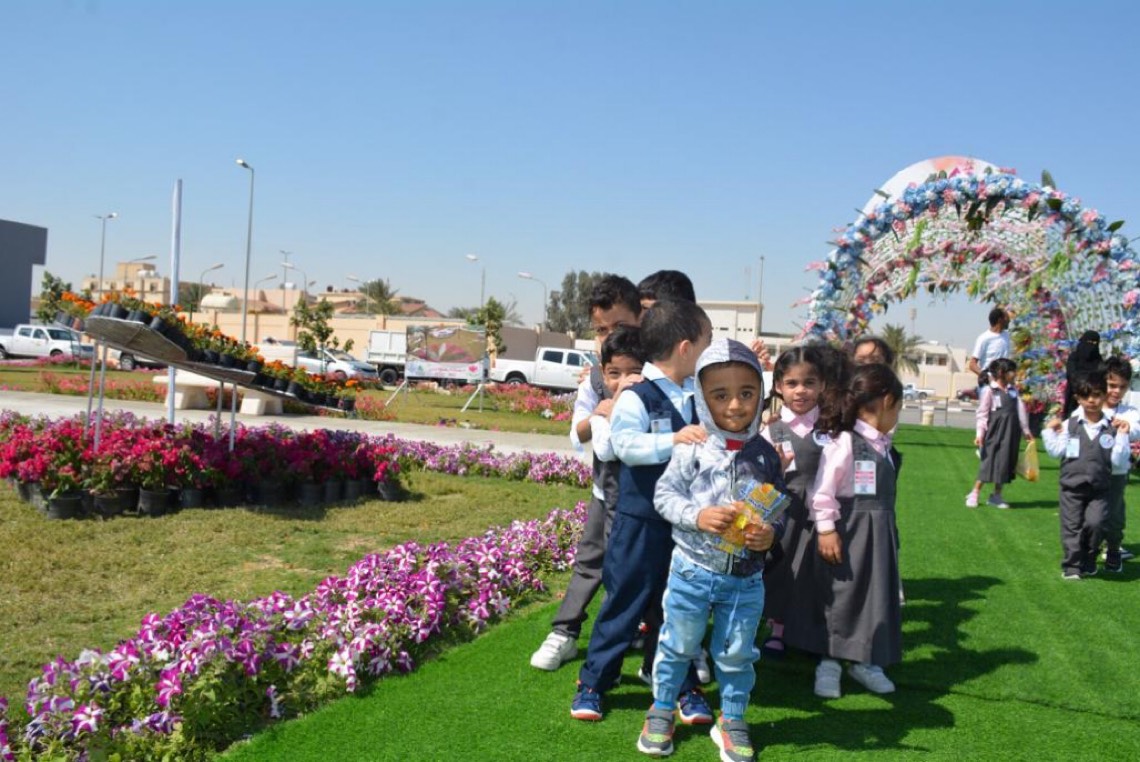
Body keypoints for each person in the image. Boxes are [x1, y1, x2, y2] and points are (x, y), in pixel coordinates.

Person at [571, 299, 713, 723]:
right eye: (706, 344)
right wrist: (674, 440)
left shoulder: (699, 396)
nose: (708, 353)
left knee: (679, 608)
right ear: (685, 348)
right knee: (625, 602)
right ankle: (593, 682)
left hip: (685, 526)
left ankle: (680, 684)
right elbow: (624, 445)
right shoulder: (637, 395)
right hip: (639, 522)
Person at [640, 339, 781, 761]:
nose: (735, 405)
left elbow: (778, 508)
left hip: (745, 579)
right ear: (702, 398)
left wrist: (770, 535)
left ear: (761, 394)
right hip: (692, 571)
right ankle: (662, 708)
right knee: (678, 644)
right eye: (720, 395)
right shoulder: (693, 446)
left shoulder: (767, 455)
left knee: (737, 653)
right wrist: (697, 516)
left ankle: (732, 719)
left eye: (746, 393)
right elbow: (664, 496)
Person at [531, 324, 646, 670]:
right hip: (604, 494)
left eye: (633, 371)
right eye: (614, 373)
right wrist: (602, 412)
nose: (623, 380)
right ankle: (564, 632)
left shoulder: (657, 390)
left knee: (641, 569)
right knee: (590, 561)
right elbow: (579, 433)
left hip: (646, 501)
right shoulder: (595, 385)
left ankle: (657, 644)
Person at [800, 363, 904, 698]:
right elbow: (822, 491)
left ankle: (867, 661)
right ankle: (829, 664)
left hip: (879, 538)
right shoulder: (845, 442)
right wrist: (826, 530)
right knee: (842, 598)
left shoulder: (885, 445)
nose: (898, 416)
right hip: (849, 536)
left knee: (876, 599)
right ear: (887, 402)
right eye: (898, 408)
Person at [759, 345, 829, 659]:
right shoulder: (770, 430)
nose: (801, 390)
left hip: (821, 514)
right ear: (778, 386)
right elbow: (758, 478)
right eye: (792, 383)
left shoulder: (830, 429)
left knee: (814, 571)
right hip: (783, 512)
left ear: (822, 385)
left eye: (809, 383)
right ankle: (777, 628)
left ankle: (809, 628)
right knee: (781, 568)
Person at [1042, 371, 1131, 579]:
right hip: (1072, 488)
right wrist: (1048, 431)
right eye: (1086, 396)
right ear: (1078, 399)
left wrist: (1122, 436)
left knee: (1096, 523)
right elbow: (1056, 451)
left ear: (1104, 397)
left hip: (1100, 489)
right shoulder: (1070, 424)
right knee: (1072, 527)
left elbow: (1118, 461)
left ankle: (1089, 556)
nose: (1091, 400)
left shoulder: (1112, 426)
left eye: (1097, 395)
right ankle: (1072, 567)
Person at [965, 358, 1034, 509]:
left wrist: (1026, 430)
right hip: (995, 432)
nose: (1015, 374)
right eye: (1012, 371)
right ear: (1002, 372)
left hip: (1011, 432)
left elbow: (1021, 411)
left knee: (1005, 462)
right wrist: (980, 434)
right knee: (989, 462)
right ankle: (974, 493)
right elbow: (982, 414)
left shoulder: (1013, 391)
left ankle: (996, 496)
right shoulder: (989, 390)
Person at [1103, 356, 1139, 570]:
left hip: (1117, 472)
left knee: (1115, 511)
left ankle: (1114, 547)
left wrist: (1125, 426)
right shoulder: (1090, 407)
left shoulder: (1129, 413)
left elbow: (1136, 429)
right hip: (1090, 469)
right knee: (1089, 510)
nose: (1117, 391)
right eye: (1112, 385)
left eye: (1122, 387)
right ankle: (1089, 546)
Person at [967, 308, 1011, 394]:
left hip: (1003, 382)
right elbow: (972, 364)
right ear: (1000, 319)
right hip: (989, 384)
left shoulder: (1007, 336)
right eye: (1007, 317)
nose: (1009, 320)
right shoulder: (984, 338)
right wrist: (986, 376)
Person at [1063, 331, 1103, 418]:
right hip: (1075, 396)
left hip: (1093, 396)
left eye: (1095, 343)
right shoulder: (1074, 357)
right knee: (1073, 419)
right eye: (1089, 342)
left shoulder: (1098, 359)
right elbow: (1071, 375)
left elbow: (1101, 376)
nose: (1092, 346)